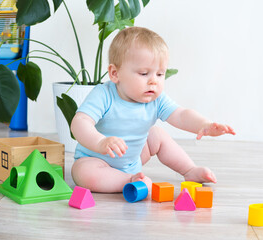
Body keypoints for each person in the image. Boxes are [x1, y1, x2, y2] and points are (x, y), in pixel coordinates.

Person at [71, 26, 236, 193]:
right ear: (115, 73)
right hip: (97, 161)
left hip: (132, 161)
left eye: (160, 74)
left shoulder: (156, 99)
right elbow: (80, 122)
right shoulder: (104, 94)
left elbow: (180, 115)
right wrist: (100, 142)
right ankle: (128, 181)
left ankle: (189, 170)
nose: (153, 82)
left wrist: (204, 125)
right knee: (83, 173)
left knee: (156, 134)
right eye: (144, 73)